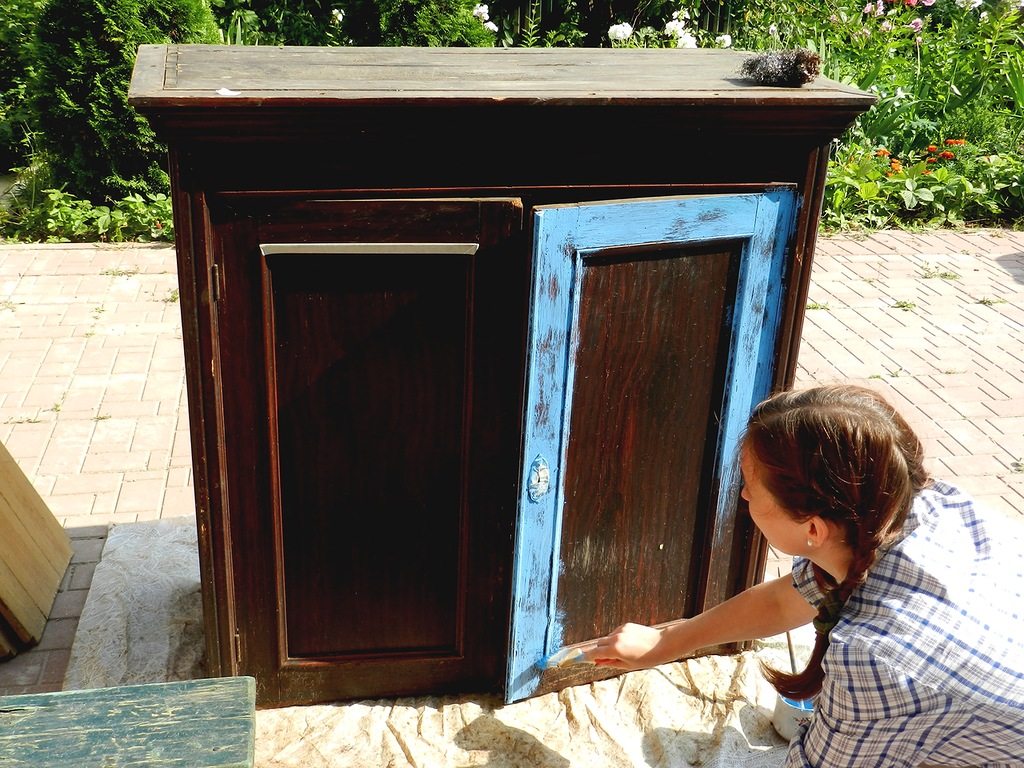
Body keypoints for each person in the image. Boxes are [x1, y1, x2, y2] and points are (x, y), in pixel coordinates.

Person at [583, 384, 1024, 767]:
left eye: (751, 491)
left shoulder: (872, 661)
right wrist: (665, 643)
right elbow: (785, 599)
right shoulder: (928, 505)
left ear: (813, 528)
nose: (742, 495)